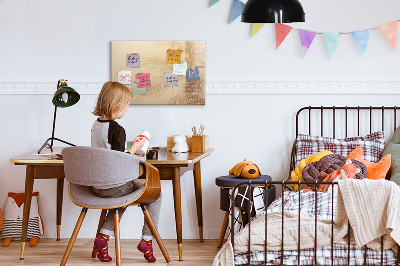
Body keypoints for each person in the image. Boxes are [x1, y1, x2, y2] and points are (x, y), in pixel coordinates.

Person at [91, 81, 161, 263]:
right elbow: (118, 161)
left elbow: (108, 154)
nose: (127, 109)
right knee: (156, 194)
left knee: (121, 198)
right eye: (127, 104)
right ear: (118, 105)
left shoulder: (96, 125)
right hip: (114, 186)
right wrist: (135, 149)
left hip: (97, 186)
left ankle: (103, 238)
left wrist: (130, 149)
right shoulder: (117, 129)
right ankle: (147, 240)